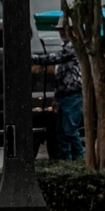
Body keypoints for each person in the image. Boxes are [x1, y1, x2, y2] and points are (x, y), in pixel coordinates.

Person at [32, 22, 83, 160]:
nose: (61, 33)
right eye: (60, 30)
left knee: (69, 131)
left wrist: (33, 58)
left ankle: (81, 160)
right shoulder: (67, 47)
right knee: (62, 132)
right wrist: (56, 98)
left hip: (73, 95)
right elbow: (59, 76)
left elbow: (54, 58)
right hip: (64, 96)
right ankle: (68, 162)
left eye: (64, 29)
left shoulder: (73, 46)